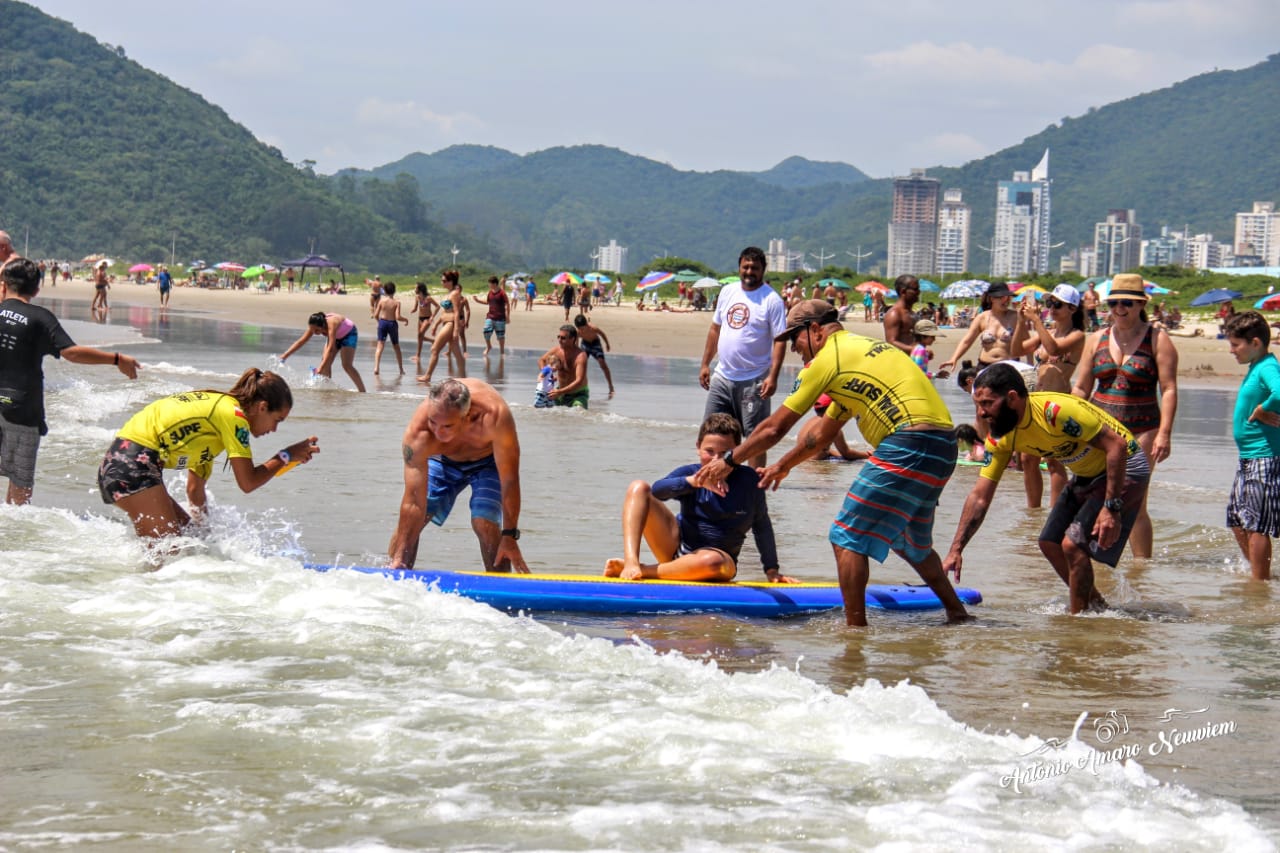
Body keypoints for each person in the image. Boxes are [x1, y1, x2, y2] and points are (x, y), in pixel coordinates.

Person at [694, 300, 972, 627]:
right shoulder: (868, 351)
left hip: (906, 443)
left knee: (845, 535)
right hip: (943, 446)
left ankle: (854, 634)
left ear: (815, 330)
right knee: (912, 544)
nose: (794, 348)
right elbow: (820, 436)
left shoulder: (828, 360)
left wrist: (729, 460)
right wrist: (784, 465)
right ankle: (957, 614)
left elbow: (773, 427)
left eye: (794, 338)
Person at [943, 363, 1151, 614]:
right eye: (977, 404)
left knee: (1072, 545)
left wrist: (1112, 508)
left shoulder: (1056, 412)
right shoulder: (1001, 439)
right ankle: (1094, 607)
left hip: (1126, 464)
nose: (981, 413)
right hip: (1087, 472)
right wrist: (956, 550)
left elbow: (1116, 446)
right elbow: (979, 496)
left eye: (987, 403)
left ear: (1012, 398)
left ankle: (1077, 622)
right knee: (1049, 542)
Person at [98, 367, 318, 541]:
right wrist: (286, 455)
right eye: (277, 420)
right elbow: (248, 483)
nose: (274, 430)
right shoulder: (233, 416)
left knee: (191, 540)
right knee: (169, 549)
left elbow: (195, 490)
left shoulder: (215, 426)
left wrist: (206, 534)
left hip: (122, 466)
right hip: (132, 467)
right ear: (262, 407)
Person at [0, 258, 141, 504]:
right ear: (36, 289)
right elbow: (71, 353)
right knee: (20, 482)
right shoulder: (40, 318)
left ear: (4, 284)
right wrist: (117, 359)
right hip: (20, 407)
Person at [604, 413, 795, 583]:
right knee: (638, 487)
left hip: (719, 562)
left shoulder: (750, 481)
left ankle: (646, 570)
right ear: (698, 447)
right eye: (709, 451)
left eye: (725, 454)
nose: (715, 460)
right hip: (675, 549)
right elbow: (657, 491)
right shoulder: (692, 473)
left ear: (737, 452)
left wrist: (772, 570)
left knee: (712, 561)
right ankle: (631, 562)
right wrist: (693, 482)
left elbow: (762, 525)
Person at [1072, 273, 1177, 559]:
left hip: (1142, 431)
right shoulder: (1096, 339)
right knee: (1096, 496)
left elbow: (1168, 389)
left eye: (1127, 303)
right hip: (1099, 433)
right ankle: (1095, 559)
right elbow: (1081, 388)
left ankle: (1142, 567)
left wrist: (1165, 433)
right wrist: (1064, 427)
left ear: (1140, 304)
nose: (1120, 308)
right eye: (1115, 302)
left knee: (1134, 502)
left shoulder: (1157, 339)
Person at [388, 378, 528, 572]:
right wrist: (399, 556)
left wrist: (510, 536)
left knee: (483, 520)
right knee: (417, 517)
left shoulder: (494, 417)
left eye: (447, 426)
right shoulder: (419, 433)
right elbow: (413, 501)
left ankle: (501, 584)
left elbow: (510, 480)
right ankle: (396, 566)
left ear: (467, 416)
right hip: (442, 459)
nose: (437, 432)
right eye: (433, 422)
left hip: (488, 462)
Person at [698, 247, 787, 467]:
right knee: (712, 432)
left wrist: (773, 377)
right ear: (739, 266)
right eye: (745, 267)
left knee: (755, 437)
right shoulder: (728, 292)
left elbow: (780, 340)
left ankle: (754, 488)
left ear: (763, 270)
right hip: (722, 376)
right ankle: (711, 480)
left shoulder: (772, 300)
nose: (749, 272)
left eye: (755, 268)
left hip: (754, 379)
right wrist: (705, 364)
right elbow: (714, 329)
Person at [1011, 284, 1087, 507]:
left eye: (1057, 304)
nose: (1051, 308)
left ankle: (1056, 513)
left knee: (1053, 461)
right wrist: (1020, 321)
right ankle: (1033, 513)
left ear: (1072, 309)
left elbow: (1054, 350)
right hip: (1035, 402)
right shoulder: (1048, 333)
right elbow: (1016, 350)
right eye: (1049, 303)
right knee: (1027, 459)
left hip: (1058, 403)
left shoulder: (1077, 335)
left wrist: (1036, 320)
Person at [1222, 312, 1280, 580]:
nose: (1232, 350)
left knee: (1257, 524)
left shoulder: (1267, 366)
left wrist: (1262, 409)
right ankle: (1255, 572)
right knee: (1236, 518)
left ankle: (1260, 582)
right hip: (1248, 456)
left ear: (1255, 343)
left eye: (1236, 345)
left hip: (1265, 456)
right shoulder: (1256, 367)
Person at [279, 312, 368, 392]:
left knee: (346, 365)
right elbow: (301, 341)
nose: (315, 332)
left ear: (322, 326)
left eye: (317, 330)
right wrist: (285, 355)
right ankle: (327, 390)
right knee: (325, 362)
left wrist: (320, 368)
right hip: (336, 337)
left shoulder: (332, 323)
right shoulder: (314, 326)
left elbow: (330, 348)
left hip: (349, 334)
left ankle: (362, 391)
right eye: (312, 330)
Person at [418, 273, 464, 384]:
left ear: (450, 281)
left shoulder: (455, 294)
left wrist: (456, 330)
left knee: (434, 349)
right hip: (445, 323)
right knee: (456, 353)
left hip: (451, 324)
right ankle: (464, 378)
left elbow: (457, 312)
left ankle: (428, 376)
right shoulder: (449, 294)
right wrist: (436, 324)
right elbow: (444, 312)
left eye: (444, 281)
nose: (441, 282)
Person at [539, 324, 589, 408]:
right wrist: (547, 374)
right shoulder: (557, 350)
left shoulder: (580, 356)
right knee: (543, 408)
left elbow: (579, 380)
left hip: (577, 393)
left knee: (579, 411)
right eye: (558, 337)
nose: (559, 340)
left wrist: (560, 392)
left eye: (563, 338)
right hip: (560, 392)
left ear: (572, 339)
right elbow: (542, 360)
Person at [573, 313, 615, 398]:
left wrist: (607, 344)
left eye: (582, 328)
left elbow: (603, 334)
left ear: (586, 324)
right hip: (585, 344)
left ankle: (611, 386)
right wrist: (576, 353)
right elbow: (576, 344)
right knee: (581, 365)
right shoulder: (578, 332)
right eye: (579, 328)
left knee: (602, 363)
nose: (581, 330)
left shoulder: (593, 328)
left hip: (595, 344)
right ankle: (580, 386)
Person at [372, 282, 409, 376]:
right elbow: (398, 317)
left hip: (383, 322)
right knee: (396, 346)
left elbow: (375, 315)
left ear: (384, 290)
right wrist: (405, 319)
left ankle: (376, 367)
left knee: (380, 345)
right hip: (392, 324)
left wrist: (379, 322)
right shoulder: (397, 302)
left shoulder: (381, 301)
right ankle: (401, 369)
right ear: (394, 290)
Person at [471, 275, 511, 356]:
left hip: (500, 318)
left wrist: (507, 316)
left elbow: (507, 304)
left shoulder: (502, 293)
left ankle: (502, 352)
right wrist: (478, 301)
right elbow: (488, 302)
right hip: (490, 316)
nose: (489, 285)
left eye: (490, 284)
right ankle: (489, 346)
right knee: (486, 331)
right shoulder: (490, 292)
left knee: (500, 336)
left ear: (495, 284)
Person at [883, 274, 921, 354]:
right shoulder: (895, 314)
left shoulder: (912, 313)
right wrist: (914, 350)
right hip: (900, 361)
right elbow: (891, 342)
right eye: (915, 289)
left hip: (913, 359)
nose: (918, 292)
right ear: (903, 291)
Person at [411, 282, 439, 363]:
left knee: (420, 334)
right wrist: (413, 310)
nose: (415, 289)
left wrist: (432, 316)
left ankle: (432, 342)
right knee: (419, 336)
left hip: (427, 319)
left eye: (416, 288)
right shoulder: (417, 297)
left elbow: (437, 306)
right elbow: (416, 308)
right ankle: (418, 355)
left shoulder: (428, 298)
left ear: (420, 289)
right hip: (420, 319)